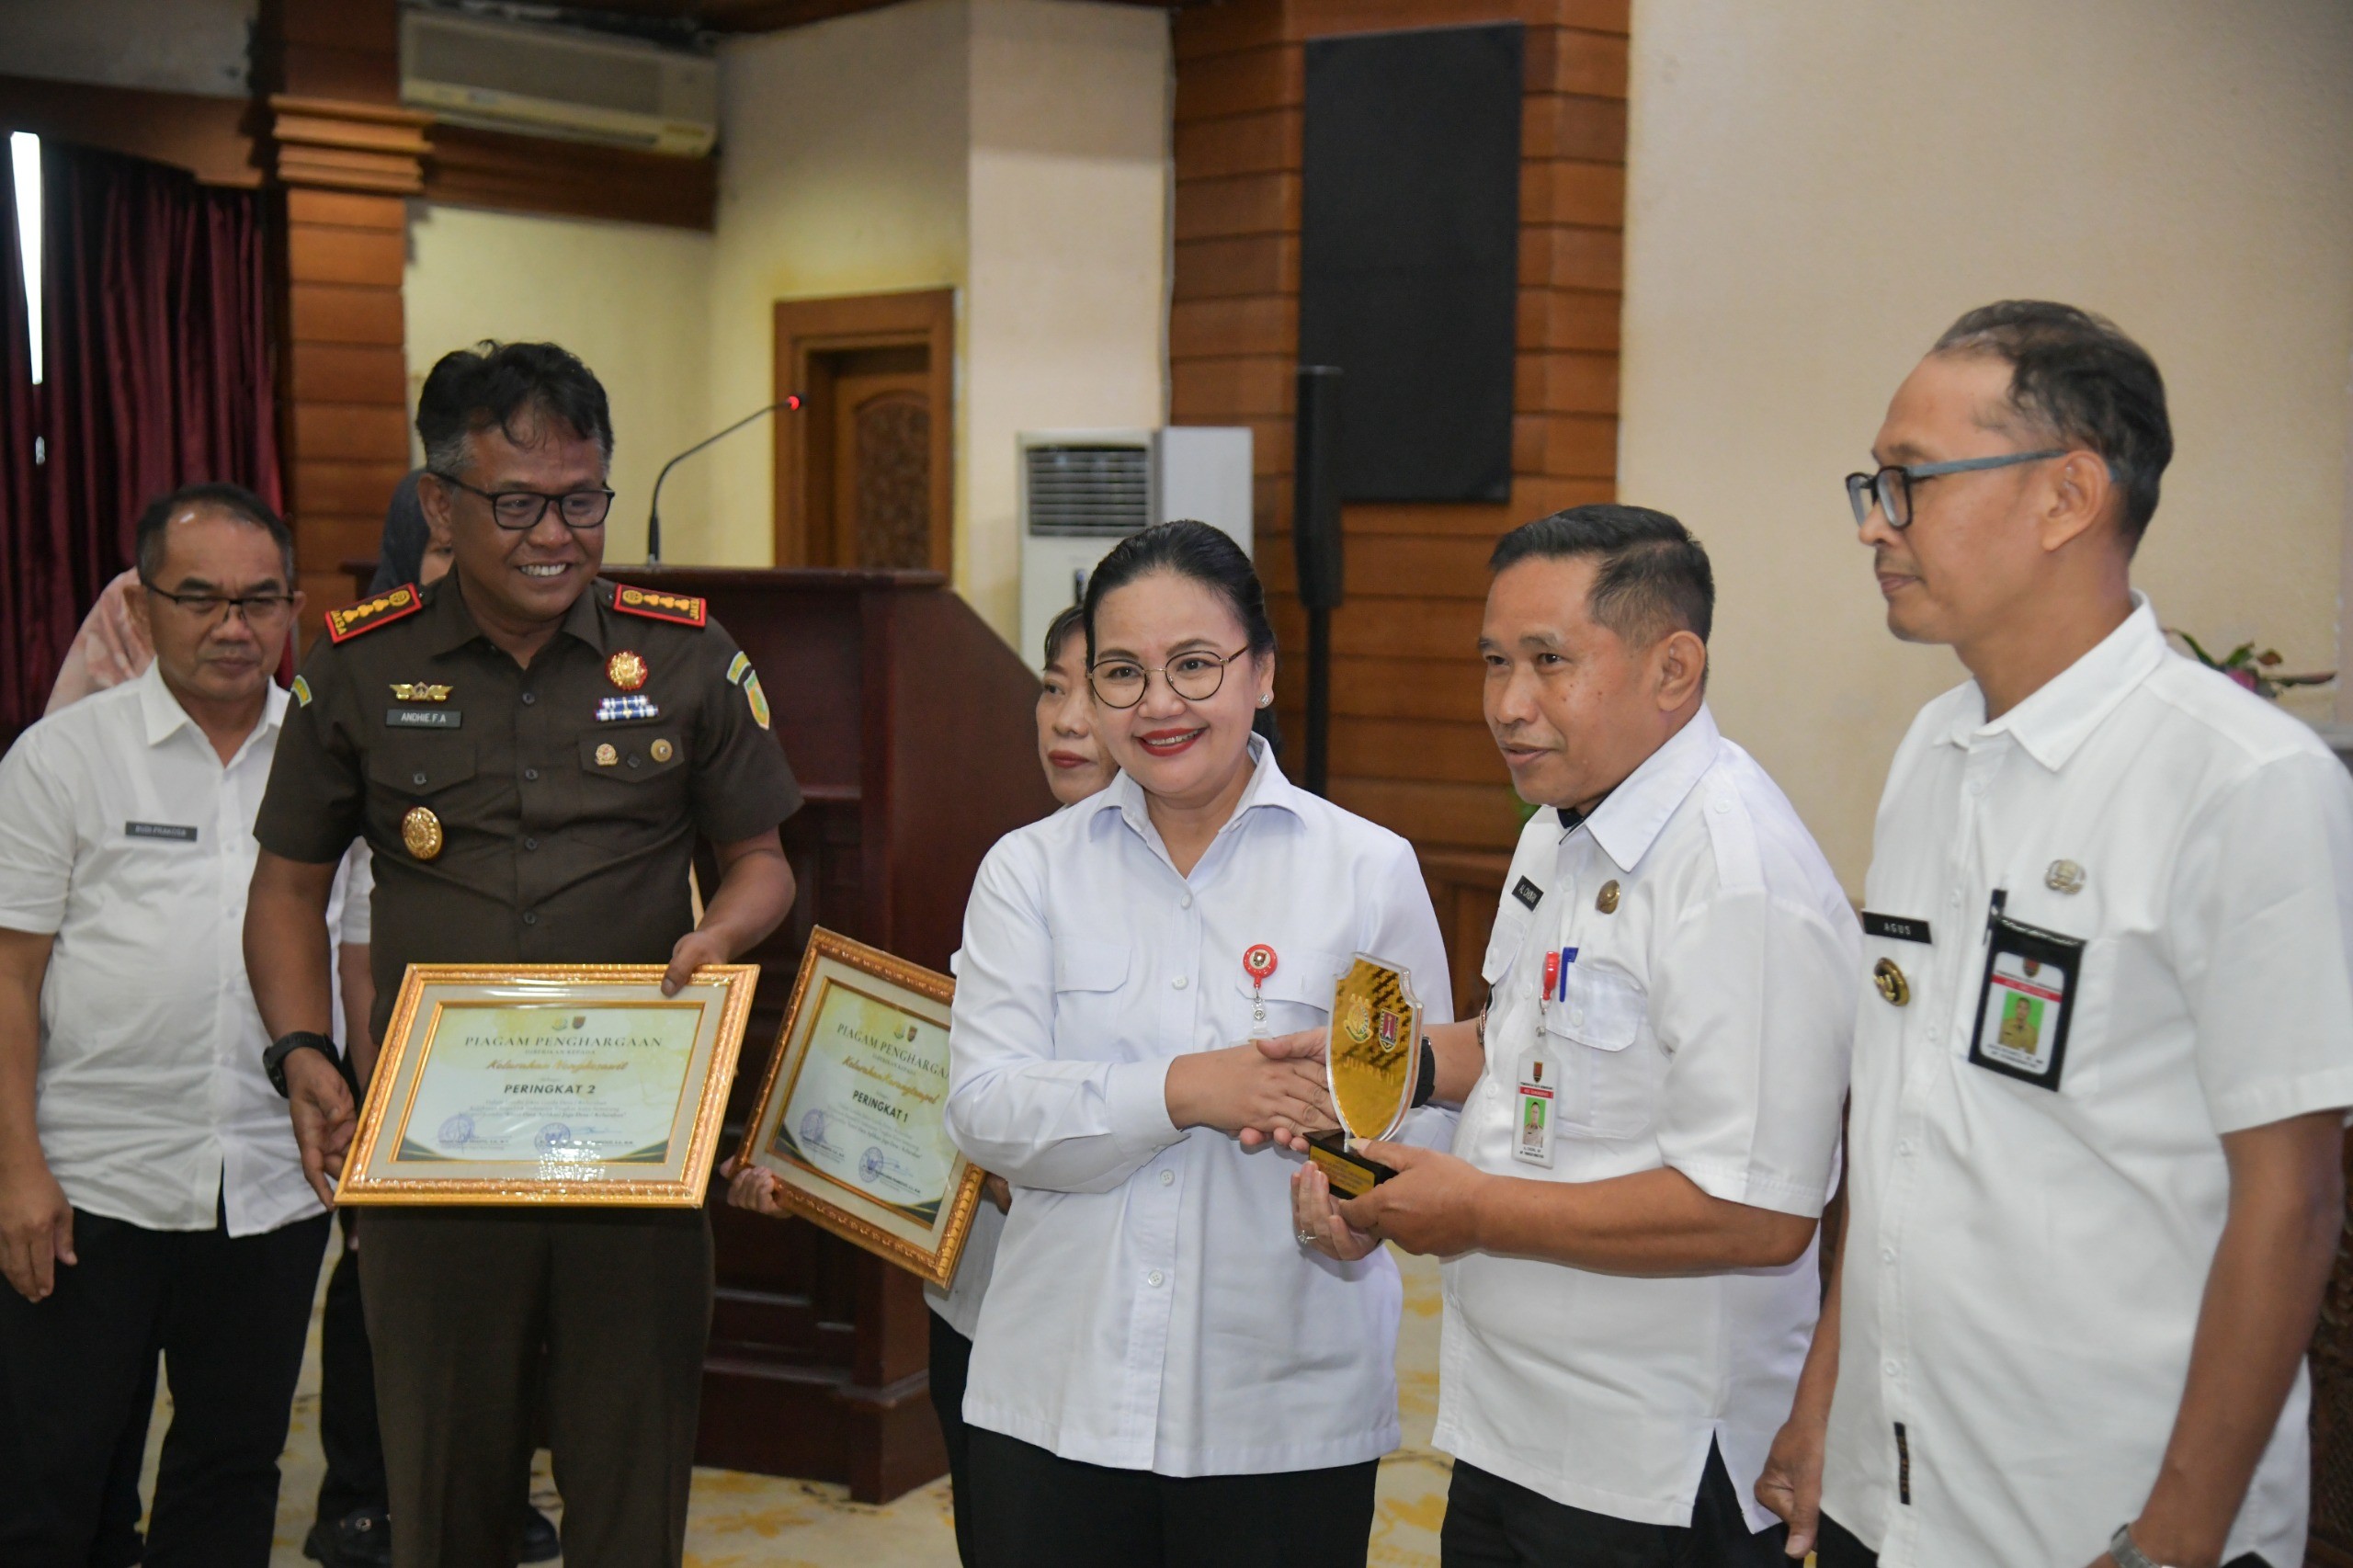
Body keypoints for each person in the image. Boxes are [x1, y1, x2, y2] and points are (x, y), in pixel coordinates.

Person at [1758, 301, 2353, 1568]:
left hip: (2097, 1515)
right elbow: (1902, 1122)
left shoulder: (2243, 782)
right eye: (1874, 482)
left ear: (2068, 495)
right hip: (1887, 1490)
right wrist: (1825, 1396)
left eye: (1910, 480)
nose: (1874, 522)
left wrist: (2171, 1539)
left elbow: (2293, 1199)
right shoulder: (1931, 752)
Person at [243, 340, 804, 1568]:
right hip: (437, 1156)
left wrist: (720, 929)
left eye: (583, 500)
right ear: (439, 503)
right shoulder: (361, 662)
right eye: (518, 504)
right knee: (445, 1492)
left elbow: (763, 861)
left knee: (630, 1489)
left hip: (637, 1147)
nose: (557, 535)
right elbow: (287, 886)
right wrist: (301, 1052)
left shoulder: (686, 654)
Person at [1290, 505, 1859, 1567]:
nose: (1509, 704)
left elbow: (1759, 1211)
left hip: (1648, 1465)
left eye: (1549, 661)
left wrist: (1473, 1209)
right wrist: (1381, 1073)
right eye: (1494, 661)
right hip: (1508, 1426)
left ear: (1673, 668)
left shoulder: (1737, 877)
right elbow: (1525, 1036)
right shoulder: (1563, 825)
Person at [941, 519, 1453, 1568]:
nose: (1158, 704)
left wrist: (1355, 1211)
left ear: (1261, 672)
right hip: (1057, 1400)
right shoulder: (1027, 872)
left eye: (1194, 665)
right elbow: (988, 1109)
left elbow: (1415, 1115)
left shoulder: (1366, 870)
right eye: (1122, 673)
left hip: (1279, 1411)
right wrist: (1187, 1090)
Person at [0, 483, 368, 1565]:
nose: (232, 625)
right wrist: (16, 1168)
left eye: (259, 599)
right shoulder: (62, 757)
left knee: (231, 1470)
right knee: (51, 1481)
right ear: (141, 604)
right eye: (199, 597)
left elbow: (359, 959)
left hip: (269, 1175)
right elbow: (11, 974)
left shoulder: (333, 759)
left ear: (293, 608)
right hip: (88, 1178)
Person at [722, 601, 1116, 1564]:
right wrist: (806, 1162)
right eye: (1050, 688)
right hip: (982, 1300)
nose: (1065, 719)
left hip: (1111, 1312)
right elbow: (945, 1096)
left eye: (1095, 689)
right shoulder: (1014, 870)